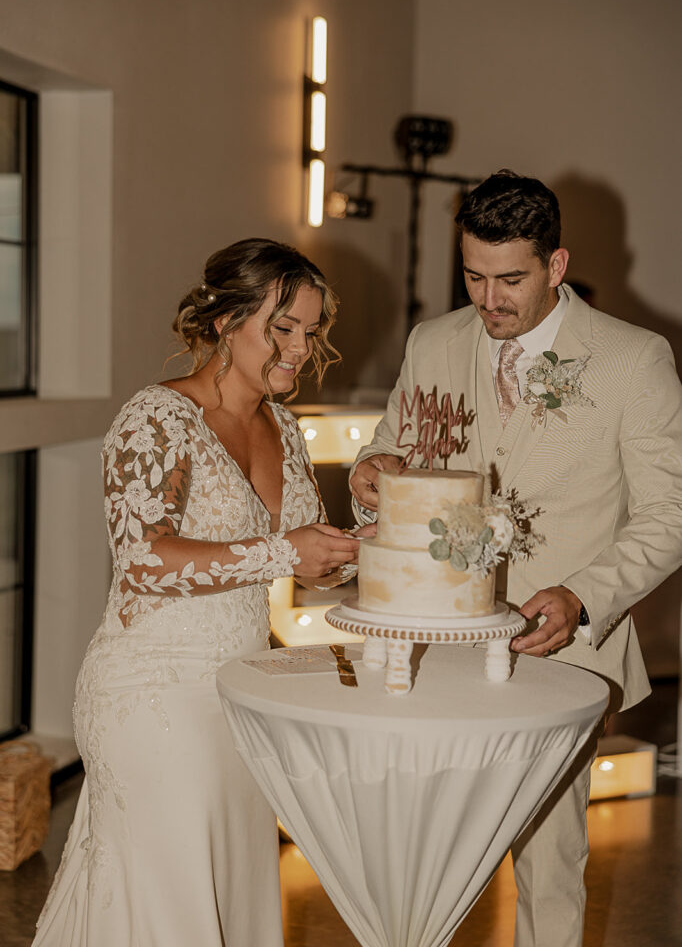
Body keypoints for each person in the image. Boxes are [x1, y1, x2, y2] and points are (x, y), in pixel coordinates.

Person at [350, 171, 682, 947]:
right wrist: (372, 477)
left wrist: (584, 595)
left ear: (556, 266)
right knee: (419, 843)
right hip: (433, 635)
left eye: (510, 280)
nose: (489, 300)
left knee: (548, 857)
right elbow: (392, 448)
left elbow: (670, 515)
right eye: (473, 275)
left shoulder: (635, 359)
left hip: (558, 646)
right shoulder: (433, 341)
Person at [34, 238, 372, 947]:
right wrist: (287, 550)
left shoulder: (284, 426)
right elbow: (144, 561)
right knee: (172, 905)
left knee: (229, 891)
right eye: (282, 328)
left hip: (240, 697)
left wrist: (351, 544)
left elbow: (304, 560)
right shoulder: (155, 419)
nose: (300, 348)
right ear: (224, 321)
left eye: (310, 332)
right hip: (151, 693)